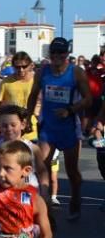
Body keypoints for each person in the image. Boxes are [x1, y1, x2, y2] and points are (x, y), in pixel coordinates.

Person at [25, 37, 92, 221]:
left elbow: (88, 99)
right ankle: (45, 205)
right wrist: (28, 117)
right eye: (54, 52)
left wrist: (70, 110)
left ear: (67, 54)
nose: (57, 56)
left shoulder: (76, 73)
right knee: (43, 167)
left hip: (69, 127)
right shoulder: (42, 72)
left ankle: (75, 199)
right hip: (48, 127)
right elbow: (33, 96)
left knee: (71, 170)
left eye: (61, 53)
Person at [0, 105, 49, 199]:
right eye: (4, 126)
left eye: (13, 125)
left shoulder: (33, 148)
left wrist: (44, 192)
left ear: (23, 124)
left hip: (28, 195)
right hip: (3, 195)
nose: (9, 129)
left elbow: (42, 171)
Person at [0, 52, 38, 141]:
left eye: (24, 66)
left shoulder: (37, 81)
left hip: (33, 131)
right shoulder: (6, 82)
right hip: (12, 132)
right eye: (17, 67)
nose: (21, 70)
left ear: (31, 65)